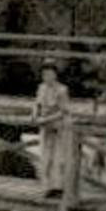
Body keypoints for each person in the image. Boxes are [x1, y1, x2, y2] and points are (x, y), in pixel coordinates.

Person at [32, 59, 71, 196]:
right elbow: (37, 104)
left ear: (55, 74)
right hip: (45, 127)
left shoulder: (62, 90)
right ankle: (47, 187)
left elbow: (64, 111)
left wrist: (47, 118)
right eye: (44, 74)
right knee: (45, 157)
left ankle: (58, 187)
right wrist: (35, 115)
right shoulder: (41, 88)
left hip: (58, 127)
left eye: (50, 73)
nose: (47, 76)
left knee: (58, 158)